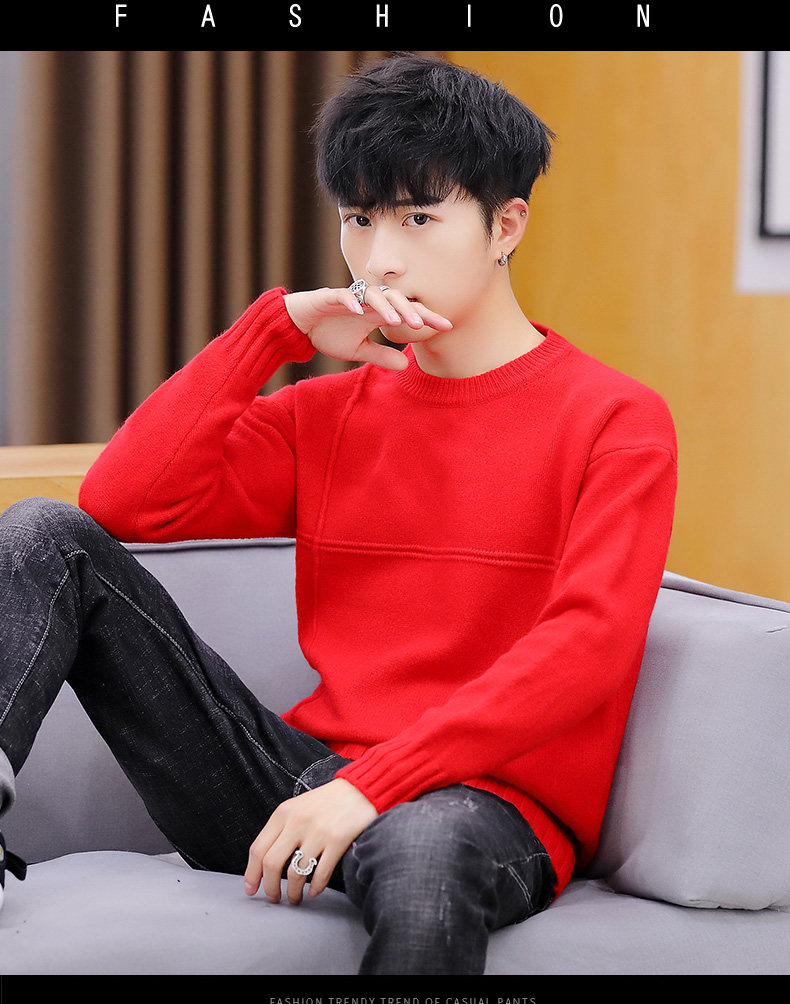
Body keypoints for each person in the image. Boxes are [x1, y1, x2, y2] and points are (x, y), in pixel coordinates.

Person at [0, 53, 677, 974]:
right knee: (42, 534)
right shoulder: (324, 415)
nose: (380, 257)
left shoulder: (616, 420)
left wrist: (378, 784)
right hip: (302, 785)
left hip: (482, 805)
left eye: (419, 217)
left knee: (426, 852)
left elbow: (588, 646)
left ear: (506, 224)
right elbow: (122, 503)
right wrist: (273, 332)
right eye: (360, 219)